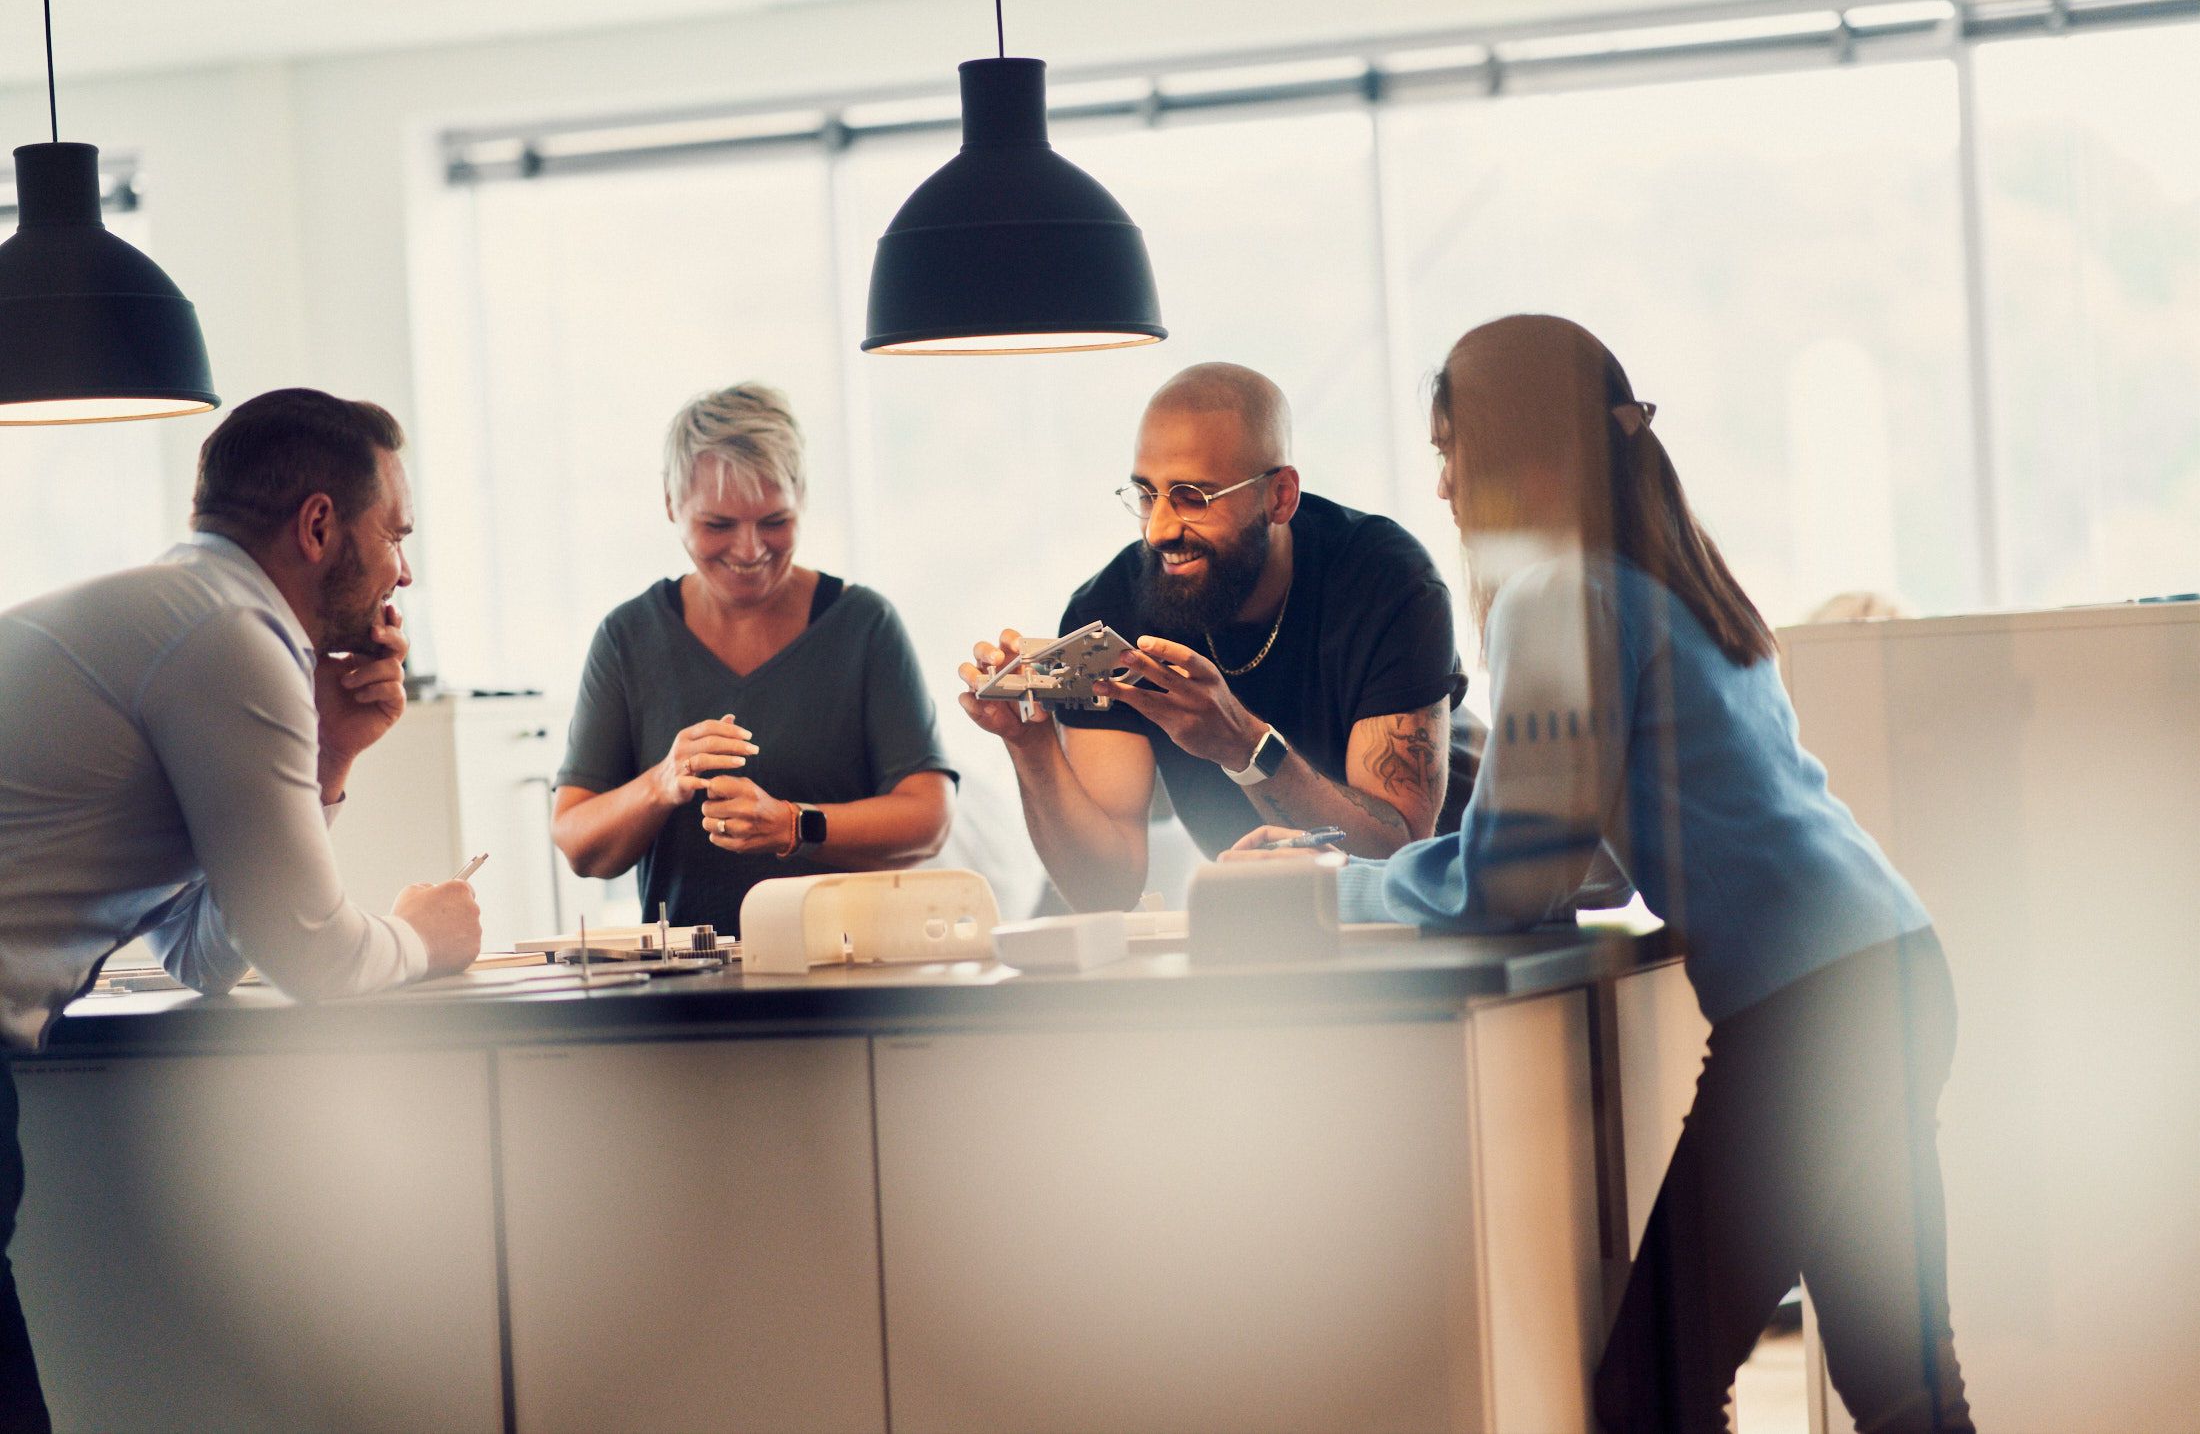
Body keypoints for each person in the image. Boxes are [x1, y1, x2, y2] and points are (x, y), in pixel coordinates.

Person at [1229, 315, 1973, 1433]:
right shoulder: (1666, 572)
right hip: (1891, 971)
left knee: (1652, 1394)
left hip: (1818, 1014)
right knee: (1904, 1391)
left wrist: (1315, 891)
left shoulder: (1555, 591)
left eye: (1449, 451)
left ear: (1519, 453)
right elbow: (1571, 848)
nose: (1440, 487)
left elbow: (1513, 877)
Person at [0, 388, 486, 1430]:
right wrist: (429, 938)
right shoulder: (231, 633)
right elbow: (314, 955)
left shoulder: (186, 613)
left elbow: (198, 951)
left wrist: (336, 750)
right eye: (396, 533)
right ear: (319, 526)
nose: (406, 570)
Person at [958, 362, 1466, 913]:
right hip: (1267, 925)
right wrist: (1031, 747)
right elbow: (1106, 891)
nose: (1159, 530)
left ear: (1280, 497)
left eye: (1193, 497)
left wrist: (1244, 745)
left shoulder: (1385, 580)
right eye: (1147, 495)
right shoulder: (1111, 609)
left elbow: (1397, 855)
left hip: (1446, 905)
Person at [552, 383, 955, 929]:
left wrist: (793, 826)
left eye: (774, 521)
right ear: (672, 505)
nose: (749, 550)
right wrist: (662, 783)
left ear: (802, 499)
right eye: (717, 525)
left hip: (853, 976)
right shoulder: (628, 636)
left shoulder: (864, 625)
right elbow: (578, 842)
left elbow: (928, 820)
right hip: (685, 992)